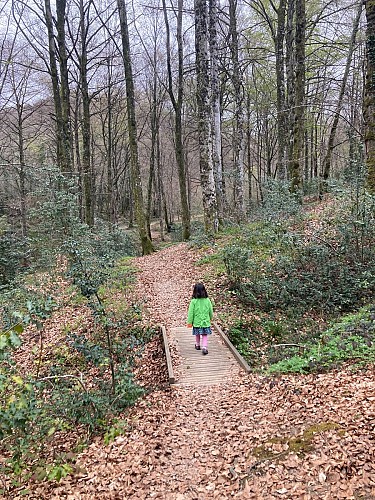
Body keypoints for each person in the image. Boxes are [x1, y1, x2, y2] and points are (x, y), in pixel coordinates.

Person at [186, 283, 213, 355]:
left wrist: (189, 322)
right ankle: (204, 347)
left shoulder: (193, 301)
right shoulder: (207, 300)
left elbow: (191, 313)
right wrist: (211, 318)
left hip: (197, 322)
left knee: (197, 334)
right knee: (204, 335)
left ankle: (197, 345)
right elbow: (211, 310)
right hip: (205, 321)